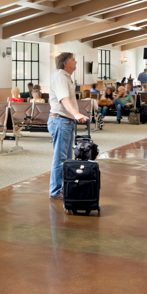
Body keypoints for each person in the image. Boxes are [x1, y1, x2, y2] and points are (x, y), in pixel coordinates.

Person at [47, 52, 89, 200]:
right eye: (73, 60)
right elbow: (64, 99)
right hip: (60, 121)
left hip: (65, 121)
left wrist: (74, 116)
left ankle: (64, 188)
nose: (76, 62)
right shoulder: (60, 77)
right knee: (60, 158)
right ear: (65, 63)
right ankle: (56, 190)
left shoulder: (66, 77)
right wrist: (76, 114)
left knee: (66, 159)